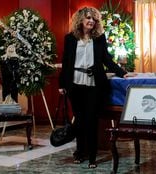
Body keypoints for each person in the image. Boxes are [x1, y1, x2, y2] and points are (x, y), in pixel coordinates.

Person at [58, 7, 134, 169]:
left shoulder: (99, 38)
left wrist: (123, 73)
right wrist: (62, 84)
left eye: (94, 19)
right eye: (88, 18)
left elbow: (107, 59)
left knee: (91, 120)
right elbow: (66, 62)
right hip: (75, 83)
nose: (91, 21)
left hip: (94, 85)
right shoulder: (70, 38)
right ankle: (80, 152)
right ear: (80, 20)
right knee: (79, 120)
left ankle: (92, 156)